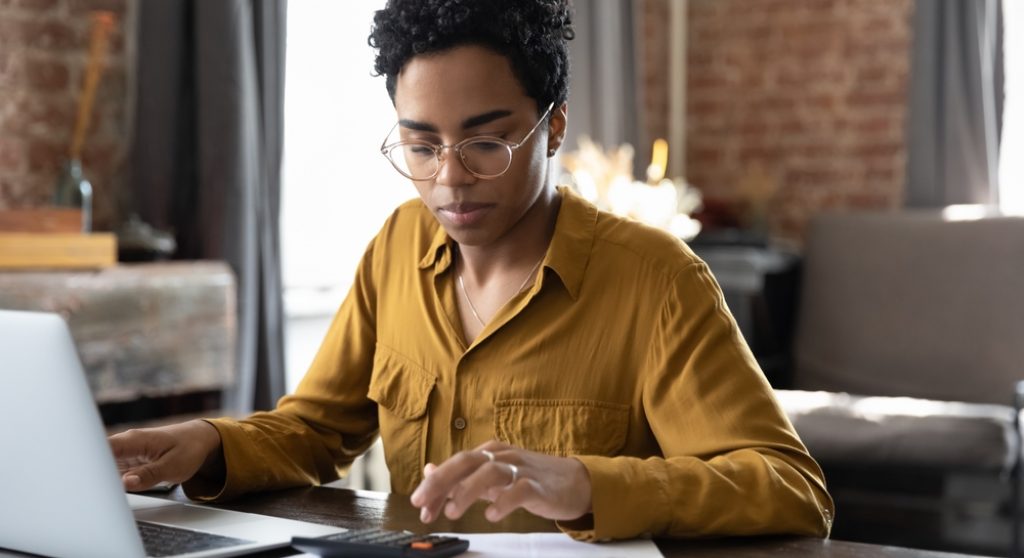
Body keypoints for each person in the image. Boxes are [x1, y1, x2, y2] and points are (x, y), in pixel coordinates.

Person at [109, 0, 834, 541]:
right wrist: (209, 443)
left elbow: (792, 488)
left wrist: (589, 485)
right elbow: (315, 431)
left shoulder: (657, 282)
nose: (449, 180)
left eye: (485, 144)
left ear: (552, 127)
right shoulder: (396, 245)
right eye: (421, 147)